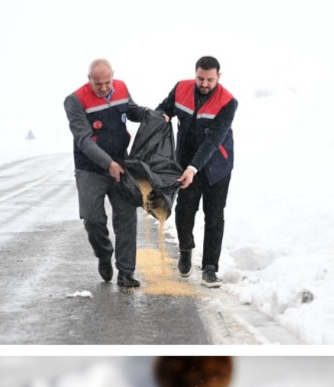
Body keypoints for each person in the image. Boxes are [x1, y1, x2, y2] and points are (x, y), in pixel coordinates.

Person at [65, 59, 152, 287]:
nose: (104, 88)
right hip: (90, 169)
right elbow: (84, 141)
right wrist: (108, 164)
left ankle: (126, 272)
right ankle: (104, 254)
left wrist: (148, 114)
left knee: (126, 218)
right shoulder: (75, 101)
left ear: (113, 75)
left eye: (107, 82)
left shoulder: (121, 88)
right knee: (93, 219)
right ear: (89, 80)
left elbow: (130, 110)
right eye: (98, 84)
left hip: (122, 165)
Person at [156, 56, 238, 288]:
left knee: (214, 216)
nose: (204, 83)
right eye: (200, 78)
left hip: (216, 166)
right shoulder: (181, 88)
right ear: (195, 73)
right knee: (184, 210)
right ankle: (185, 250)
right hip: (185, 162)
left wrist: (194, 168)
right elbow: (164, 107)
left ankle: (210, 268)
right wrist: (163, 115)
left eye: (210, 80)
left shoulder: (228, 101)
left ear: (218, 77)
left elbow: (213, 140)